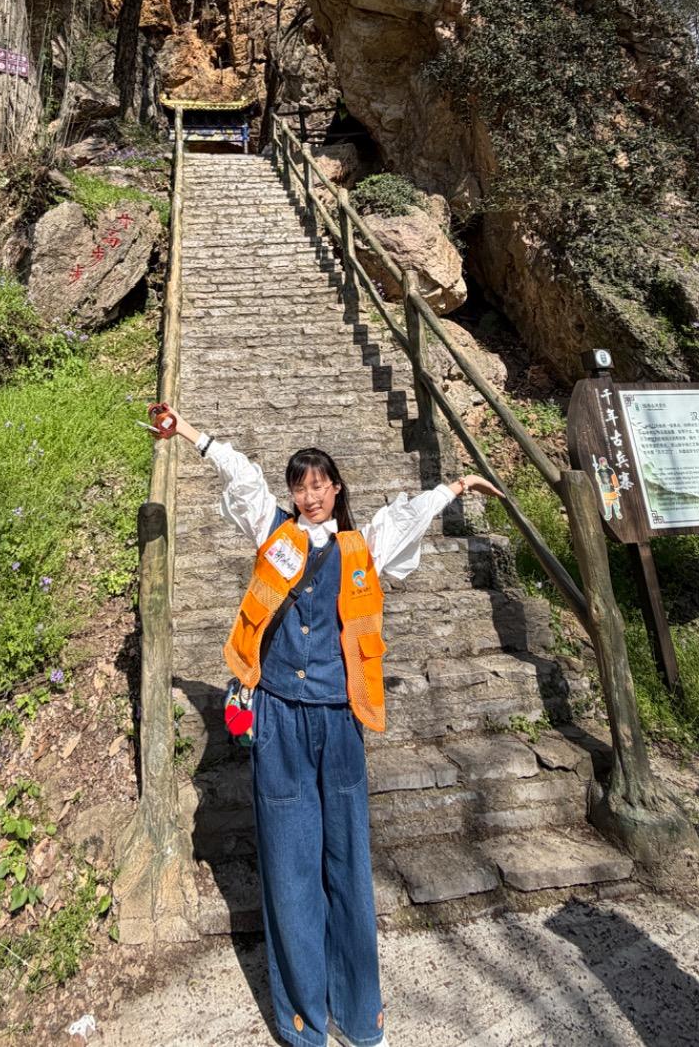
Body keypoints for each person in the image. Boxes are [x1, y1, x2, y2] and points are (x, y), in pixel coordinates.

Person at [154, 404, 504, 1047]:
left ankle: (359, 1015)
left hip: (341, 720)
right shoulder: (274, 533)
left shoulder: (360, 546)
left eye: (319, 485)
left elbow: (410, 515)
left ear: (337, 488)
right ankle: (304, 1021)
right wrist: (189, 434)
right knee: (290, 867)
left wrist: (454, 487)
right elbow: (241, 474)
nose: (309, 496)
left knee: (347, 862)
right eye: (300, 486)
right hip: (280, 716)